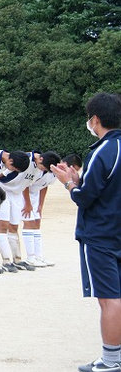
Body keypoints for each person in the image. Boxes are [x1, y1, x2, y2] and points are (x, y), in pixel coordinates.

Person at [51, 92, 121, 372]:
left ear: (95, 120)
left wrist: (69, 183)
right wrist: (79, 180)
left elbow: (84, 197)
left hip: (102, 235)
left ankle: (111, 360)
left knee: (109, 298)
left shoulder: (102, 151)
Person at [0, 151, 60, 272]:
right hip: (3, 190)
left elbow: (27, 184)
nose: (43, 171)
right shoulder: (25, 159)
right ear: (40, 159)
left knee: (14, 226)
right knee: (3, 225)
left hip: (16, 193)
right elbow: (2, 173)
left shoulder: (39, 169)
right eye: (44, 168)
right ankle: (6, 261)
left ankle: (17, 260)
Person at [20, 151, 64, 267]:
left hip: (35, 195)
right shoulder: (32, 167)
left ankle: (38, 256)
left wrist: (40, 205)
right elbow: (25, 185)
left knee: (37, 222)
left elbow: (45, 186)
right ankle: (30, 258)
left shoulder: (52, 172)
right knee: (29, 222)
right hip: (23, 195)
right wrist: (27, 204)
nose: (43, 170)